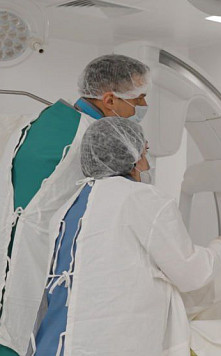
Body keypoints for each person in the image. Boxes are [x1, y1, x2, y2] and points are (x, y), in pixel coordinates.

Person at [32, 117, 221, 355]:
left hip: (52, 344)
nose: (147, 163)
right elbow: (191, 273)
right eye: (145, 153)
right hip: (108, 345)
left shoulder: (66, 208)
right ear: (130, 156)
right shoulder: (143, 198)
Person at [0, 55, 151, 356]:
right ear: (109, 100)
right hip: (41, 267)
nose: (143, 105)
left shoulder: (37, 121)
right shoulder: (93, 141)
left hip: (12, 255)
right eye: (139, 98)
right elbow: (123, 203)